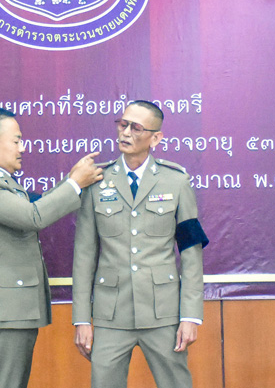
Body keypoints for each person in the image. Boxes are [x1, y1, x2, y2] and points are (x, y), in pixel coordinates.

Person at [0, 108, 103, 388]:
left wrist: (72, 180)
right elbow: (33, 216)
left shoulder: (2, 182)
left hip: (13, 314)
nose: (22, 148)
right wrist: (74, 184)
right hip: (0, 315)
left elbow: (35, 205)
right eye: (16, 141)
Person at [72, 100, 209, 388]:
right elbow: (84, 255)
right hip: (111, 314)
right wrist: (81, 319)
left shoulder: (176, 181)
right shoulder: (96, 181)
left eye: (136, 128)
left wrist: (190, 316)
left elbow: (190, 252)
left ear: (155, 138)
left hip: (163, 313)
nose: (125, 133)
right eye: (123, 124)